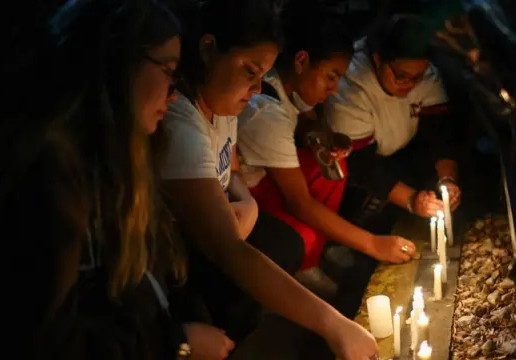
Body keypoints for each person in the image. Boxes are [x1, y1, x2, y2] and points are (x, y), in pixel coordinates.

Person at [0, 1, 231, 359]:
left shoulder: (118, 160)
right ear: (119, 61)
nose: (173, 93)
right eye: (168, 71)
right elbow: (43, 340)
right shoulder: (51, 172)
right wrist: (177, 343)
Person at [157, 0, 379, 358]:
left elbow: (232, 169)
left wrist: (245, 202)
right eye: (250, 71)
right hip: (177, 254)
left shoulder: (222, 104)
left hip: (230, 218)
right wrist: (334, 324)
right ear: (209, 49)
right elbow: (226, 246)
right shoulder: (181, 124)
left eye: (263, 75)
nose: (258, 89)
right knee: (243, 276)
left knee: (285, 244)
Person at [237, 3, 417, 279]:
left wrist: (327, 139)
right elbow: (300, 204)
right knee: (304, 235)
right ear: (301, 61)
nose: (334, 90)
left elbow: (308, 124)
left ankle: (318, 251)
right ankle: (305, 268)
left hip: (268, 180)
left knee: (333, 167)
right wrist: (374, 244)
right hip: (248, 193)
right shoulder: (266, 113)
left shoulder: (288, 88)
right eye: (331, 77)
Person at [324, 14, 462, 220]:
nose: (410, 84)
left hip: (403, 151)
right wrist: (413, 200)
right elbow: (363, 164)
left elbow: (439, 131)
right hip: (356, 167)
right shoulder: (351, 89)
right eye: (401, 76)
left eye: (418, 77)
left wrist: (447, 180)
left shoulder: (424, 75)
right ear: (378, 59)